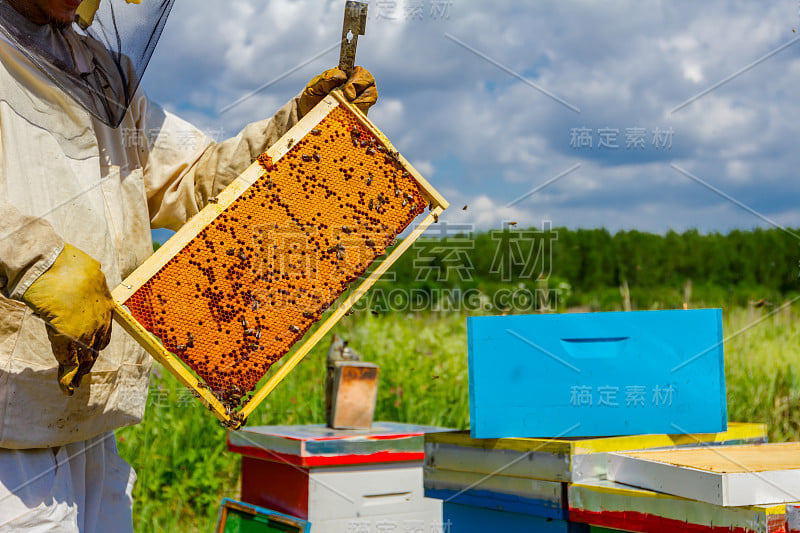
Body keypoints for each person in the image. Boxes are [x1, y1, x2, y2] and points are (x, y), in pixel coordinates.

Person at [0, 0, 377, 530]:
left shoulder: (103, 73)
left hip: (89, 429)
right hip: (7, 432)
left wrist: (300, 129)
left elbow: (195, 178)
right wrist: (31, 260)